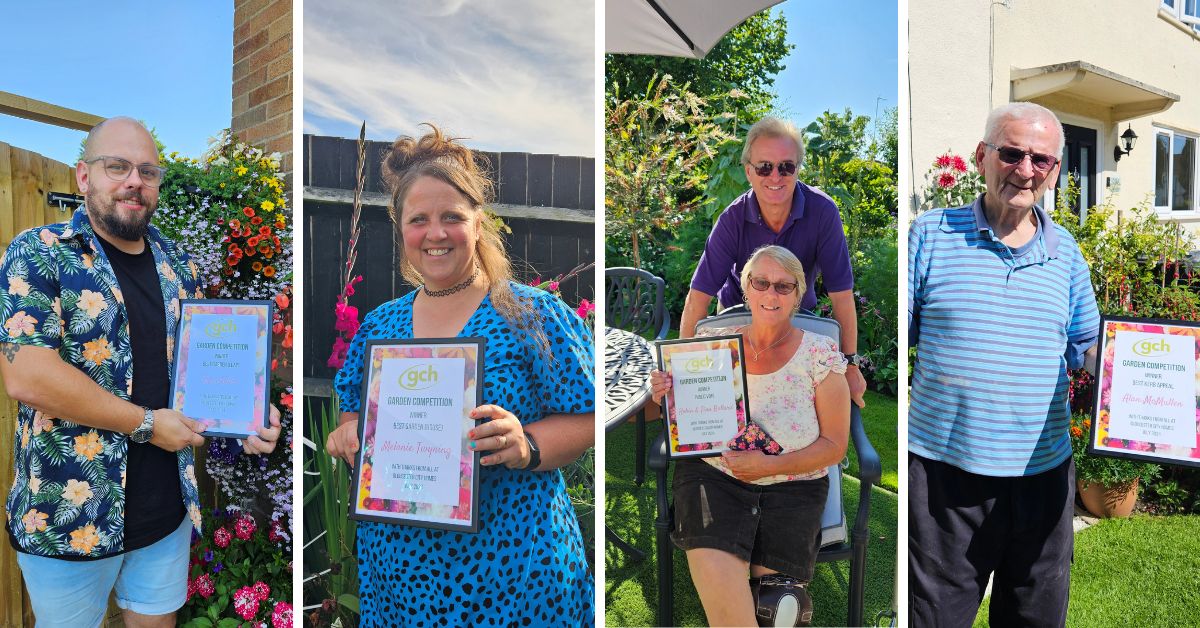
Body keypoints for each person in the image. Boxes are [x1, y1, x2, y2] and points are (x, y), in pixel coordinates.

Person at [0, 117, 281, 627]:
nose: (134, 180)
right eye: (118, 166)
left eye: (148, 172)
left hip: (164, 515)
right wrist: (147, 424)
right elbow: (28, 375)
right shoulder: (39, 252)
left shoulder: (181, 265)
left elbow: (209, 370)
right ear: (84, 177)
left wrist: (250, 415)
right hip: (67, 516)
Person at [324, 124, 596, 627]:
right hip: (397, 575)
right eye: (419, 219)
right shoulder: (380, 325)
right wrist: (347, 432)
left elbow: (587, 415)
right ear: (400, 227)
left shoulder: (530, 314)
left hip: (511, 572)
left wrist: (526, 443)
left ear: (477, 222)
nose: (436, 233)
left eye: (452, 216)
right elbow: (351, 410)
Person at [908, 102, 1100, 627]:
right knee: (935, 618)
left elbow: (1089, 345)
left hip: (1043, 475)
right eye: (1012, 153)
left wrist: (1148, 373)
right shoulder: (930, 236)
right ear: (982, 157)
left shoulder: (1068, 256)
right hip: (947, 476)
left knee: (1034, 619)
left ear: (1056, 170)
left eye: (1042, 159)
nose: (1026, 169)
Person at [650, 245, 850, 627]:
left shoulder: (819, 355)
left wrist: (769, 465)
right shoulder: (715, 347)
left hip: (793, 487)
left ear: (798, 294)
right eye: (761, 282)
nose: (770, 294)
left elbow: (835, 446)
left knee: (778, 608)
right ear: (746, 288)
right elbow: (682, 416)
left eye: (783, 286)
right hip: (714, 479)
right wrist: (667, 390)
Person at [680, 116, 867, 408]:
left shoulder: (823, 212)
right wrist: (685, 367)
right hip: (738, 316)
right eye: (765, 167)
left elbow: (841, 296)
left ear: (797, 170)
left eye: (786, 166)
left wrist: (851, 364)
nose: (775, 176)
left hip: (796, 317)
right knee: (735, 403)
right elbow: (698, 298)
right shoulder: (731, 219)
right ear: (749, 172)